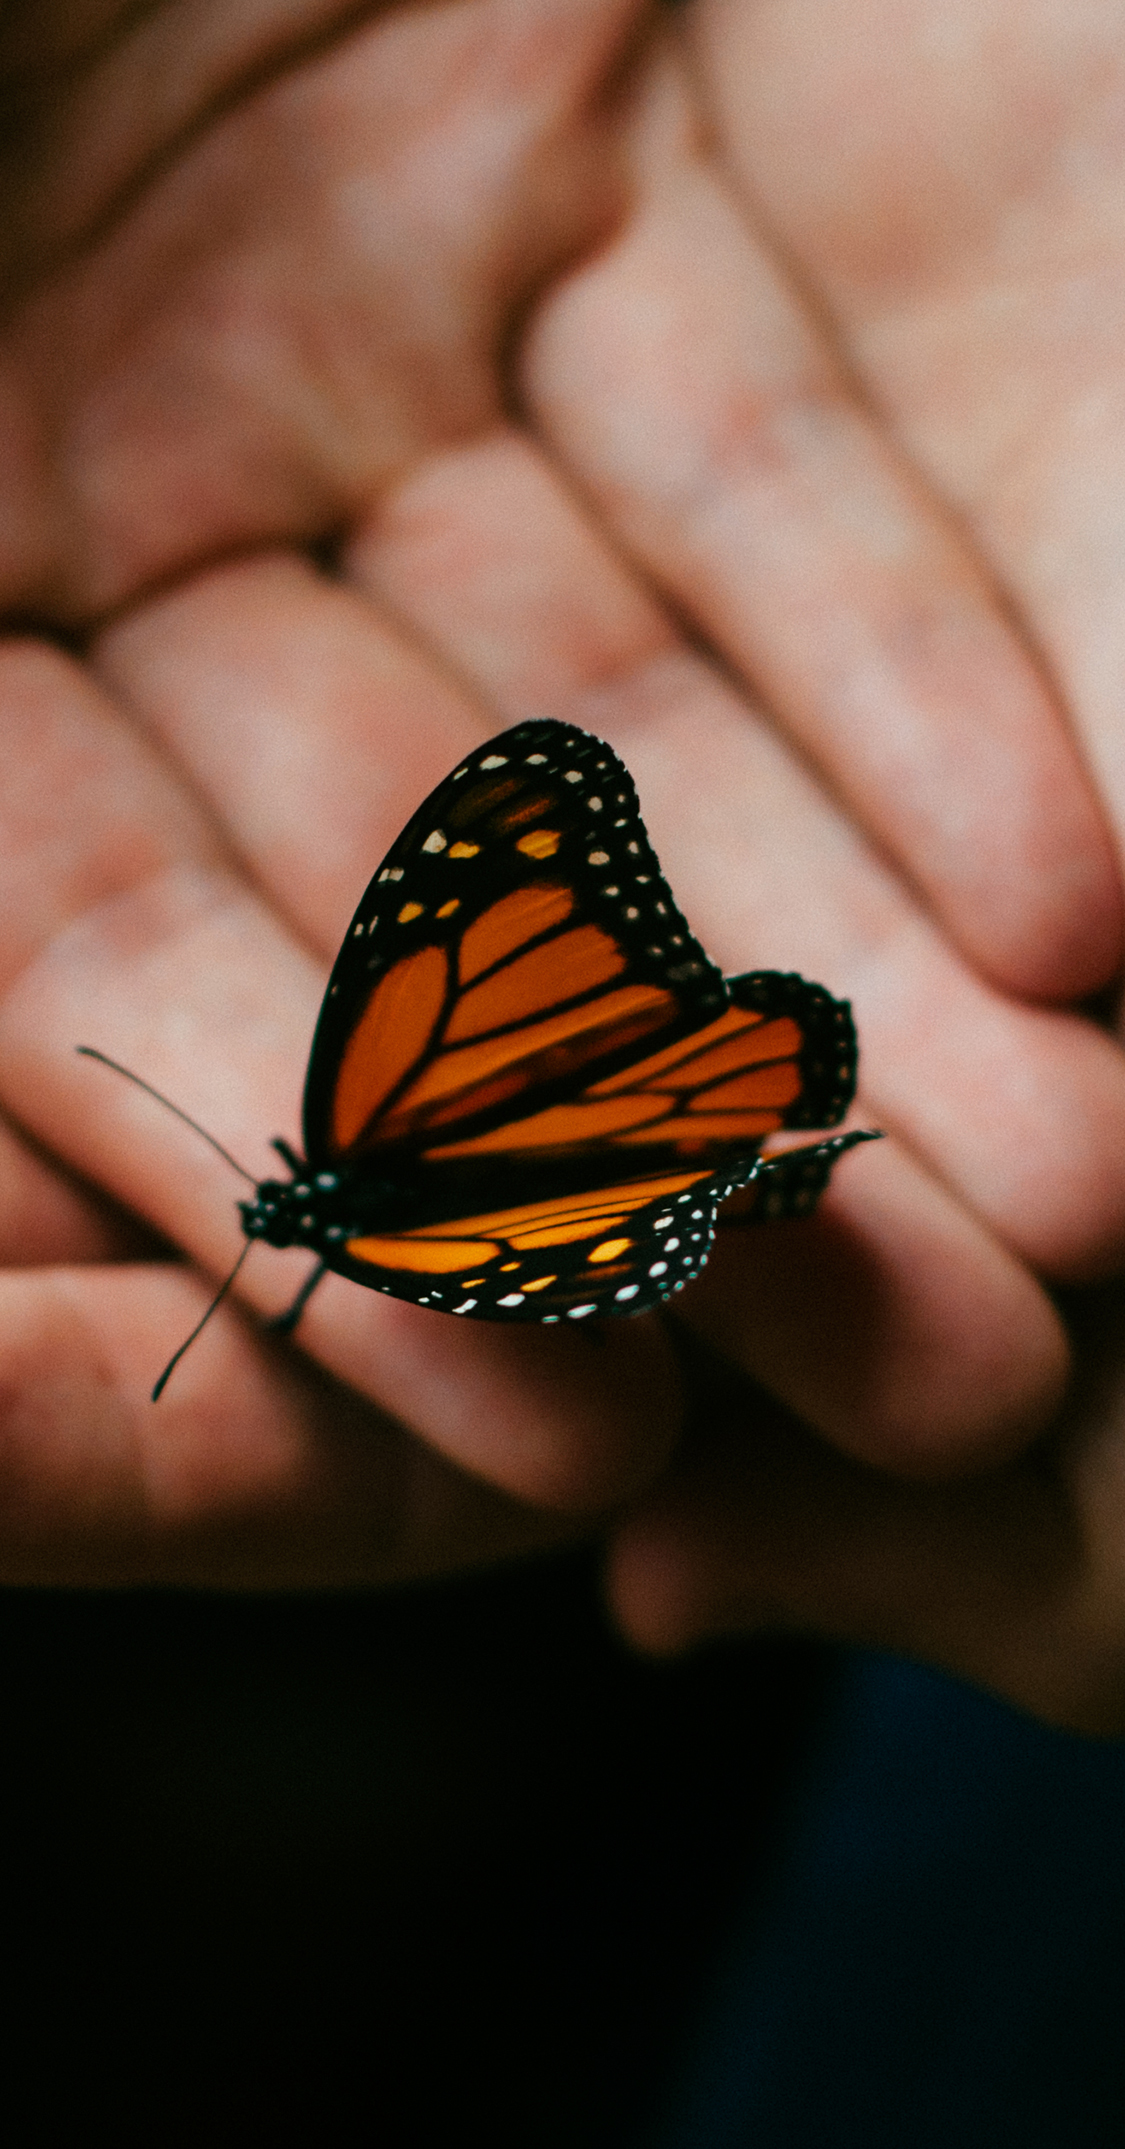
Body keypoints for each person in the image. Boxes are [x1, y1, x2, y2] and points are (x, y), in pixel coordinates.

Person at [3, 0, 1125, 1694]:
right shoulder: (373, 1156)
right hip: (631, 1163)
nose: (282, 1209)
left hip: (630, 1176)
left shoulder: (366, 1173)